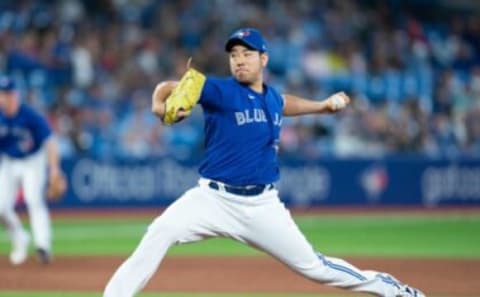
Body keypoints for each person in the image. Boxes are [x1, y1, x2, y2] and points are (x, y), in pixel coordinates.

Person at [104, 28, 425, 297]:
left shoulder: (271, 97)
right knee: (160, 231)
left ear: (264, 59)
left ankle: (392, 288)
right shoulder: (217, 89)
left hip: (262, 206)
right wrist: (159, 106)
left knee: (316, 268)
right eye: (233, 55)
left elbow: (286, 103)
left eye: (246, 53)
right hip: (212, 199)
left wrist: (323, 107)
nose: (239, 60)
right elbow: (167, 87)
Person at [0, 76, 61, 265]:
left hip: (32, 161)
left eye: (9, 93)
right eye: (2, 94)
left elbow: (50, 142)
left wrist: (54, 170)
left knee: (34, 200)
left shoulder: (30, 116)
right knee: (1, 207)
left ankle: (43, 246)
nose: (6, 98)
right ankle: (20, 237)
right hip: (9, 162)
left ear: (16, 95)